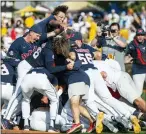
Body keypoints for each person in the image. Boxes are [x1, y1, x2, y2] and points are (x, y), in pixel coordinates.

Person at [69, 31, 141, 133]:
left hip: (85, 74)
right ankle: (128, 115)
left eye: (73, 41)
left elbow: (71, 57)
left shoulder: (72, 49)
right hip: (95, 72)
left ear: (78, 40)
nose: (72, 43)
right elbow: (98, 54)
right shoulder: (86, 48)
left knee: (89, 100)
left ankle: (97, 115)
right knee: (108, 98)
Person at [20, 67, 59, 132]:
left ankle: (26, 125)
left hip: (26, 78)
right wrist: (47, 96)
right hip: (41, 78)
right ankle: (52, 126)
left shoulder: (32, 68)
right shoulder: (49, 71)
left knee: (25, 100)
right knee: (54, 100)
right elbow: (55, 87)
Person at [125, 28, 146, 96]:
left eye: (142, 35)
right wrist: (127, 60)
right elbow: (125, 55)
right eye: (138, 35)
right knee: (137, 93)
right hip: (138, 70)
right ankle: (136, 107)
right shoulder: (131, 44)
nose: (140, 36)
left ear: (144, 36)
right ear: (136, 36)